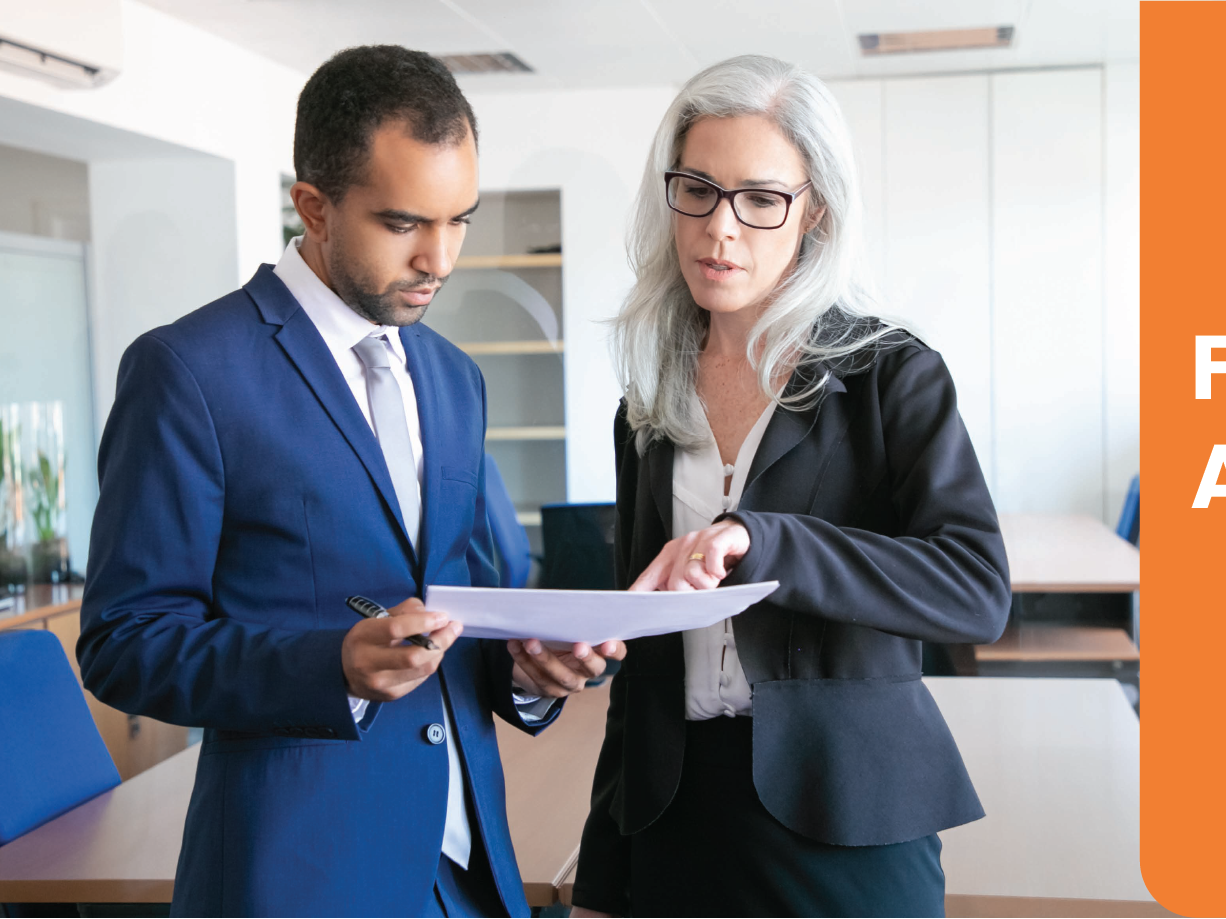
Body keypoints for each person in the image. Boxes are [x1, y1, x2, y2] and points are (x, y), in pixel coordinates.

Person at [78, 45, 621, 917]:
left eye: (459, 220)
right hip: (301, 877)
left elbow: (459, 604)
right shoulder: (189, 371)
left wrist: (528, 669)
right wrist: (328, 666)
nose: (440, 258)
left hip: (469, 871)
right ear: (314, 207)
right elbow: (125, 640)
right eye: (404, 223)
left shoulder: (453, 377)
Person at [569, 55, 1011, 918]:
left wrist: (765, 540)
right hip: (674, 818)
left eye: (760, 199)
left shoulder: (891, 376)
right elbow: (645, 664)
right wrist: (601, 877)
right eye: (697, 189)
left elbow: (975, 590)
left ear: (814, 213)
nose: (719, 228)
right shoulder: (649, 401)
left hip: (847, 818)